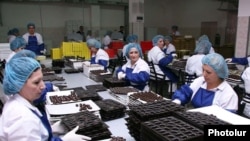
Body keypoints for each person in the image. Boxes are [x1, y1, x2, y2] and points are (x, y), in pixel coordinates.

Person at [0, 56, 91, 141]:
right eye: (36, 82)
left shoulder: (15, 102)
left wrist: (49, 130)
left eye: (42, 80)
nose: (43, 86)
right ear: (18, 84)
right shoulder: (23, 119)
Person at [172, 53, 238, 113]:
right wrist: (177, 101)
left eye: (208, 72)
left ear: (219, 73)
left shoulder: (229, 95)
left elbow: (228, 119)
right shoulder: (200, 81)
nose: (204, 74)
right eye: (203, 70)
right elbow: (185, 92)